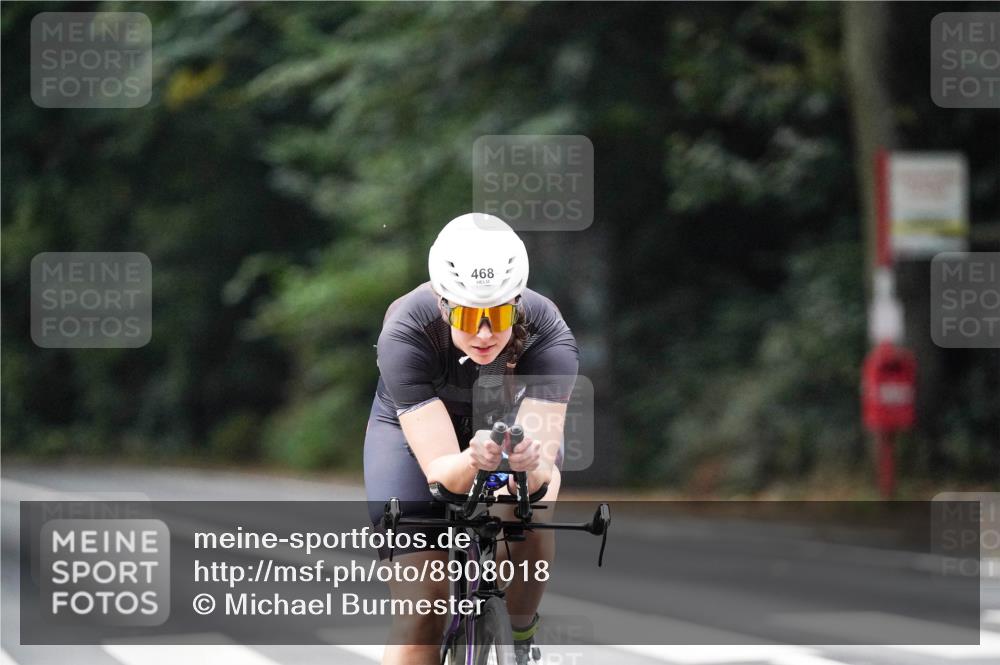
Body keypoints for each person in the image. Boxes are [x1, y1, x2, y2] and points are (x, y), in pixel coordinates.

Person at [364, 212, 579, 665]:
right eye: (467, 315)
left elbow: (543, 477)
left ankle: (519, 636)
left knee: (530, 509)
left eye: (499, 315)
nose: (484, 333)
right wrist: (470, 461)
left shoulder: (549, 333)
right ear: (444, 305)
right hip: (412, 437)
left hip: (504, 424)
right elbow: (442, 474)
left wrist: (526, 465)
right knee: (424, 605)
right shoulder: (405, 331)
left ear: (517, 303)